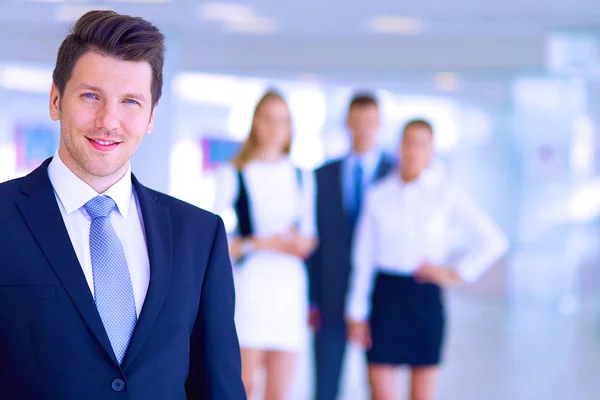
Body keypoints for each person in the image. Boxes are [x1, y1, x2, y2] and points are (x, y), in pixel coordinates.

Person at [0, 10, 245, 399]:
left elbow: (218, 386)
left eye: (131, 101)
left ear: (151, 116)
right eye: (91, 96)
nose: (108, 120)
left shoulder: (200, 235)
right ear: (55, 99)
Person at [346, 119, 509, 400]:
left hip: (424, 298)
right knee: (380, 393)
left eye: (421, 144)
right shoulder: (379, 195)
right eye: (407, 142)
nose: (413, 151)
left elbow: (494, 240)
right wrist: (357, 311)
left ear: (431, 149)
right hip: (385, 299)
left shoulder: (446, 192)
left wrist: (455, 274)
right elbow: (363, 259)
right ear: (398, 147)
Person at [212, 89, 317, 400]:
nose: (275, 128)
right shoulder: (234, 173)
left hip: (289, 288)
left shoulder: (302, 176)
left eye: (283, 120)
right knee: (241, 386)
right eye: (269, 119)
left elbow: (311, 236)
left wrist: (299, 243)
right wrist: (259, 243)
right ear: (256, 122)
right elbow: (215, 241)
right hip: (250, 289)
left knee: (279, 392)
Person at [307, 92, 395, 400]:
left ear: (379, 124)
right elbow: (314, 243)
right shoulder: (322, 176)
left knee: (380, 385)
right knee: (326, 383)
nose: (363, 128)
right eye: (356, 121)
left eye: (369, 122)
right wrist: (311, 299)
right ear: (347, 123)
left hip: (381, 296)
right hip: (330, 296)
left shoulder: (396, 174)